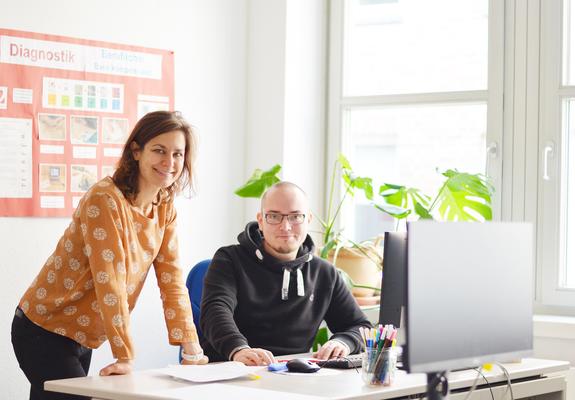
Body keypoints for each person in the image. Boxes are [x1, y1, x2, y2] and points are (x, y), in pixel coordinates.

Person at [11, 111, 208, 400]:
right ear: (136, 151)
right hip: (45, 328)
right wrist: (125, 355)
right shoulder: (105, 199)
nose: (170, 162)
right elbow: (110, 280)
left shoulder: (164, 206)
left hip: (84, 335)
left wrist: (191, 346)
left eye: (178, 154)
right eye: (159, 151)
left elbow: (172, 280)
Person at [200, 181, 372, 365]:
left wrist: (343, 342)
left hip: (292, 374)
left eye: (295, 216)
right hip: (233, 369)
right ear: (260, 220)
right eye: (274, 216)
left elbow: (360, 326)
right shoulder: (230, 259)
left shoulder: (324, 273)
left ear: (308, 220)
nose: (285, 226)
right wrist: (239, 350)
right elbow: (215, 311)